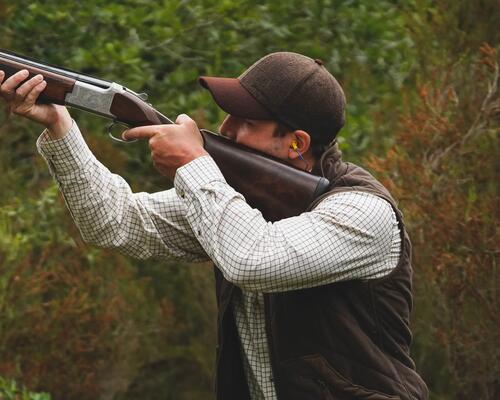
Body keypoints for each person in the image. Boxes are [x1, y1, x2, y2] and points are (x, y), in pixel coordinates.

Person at [0, 52, 428, 400]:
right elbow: (114, 223)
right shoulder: (239, 200)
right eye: (227, 114)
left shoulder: (364, 213)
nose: (222, 130)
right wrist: (60, 126)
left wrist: (193, 165)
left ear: (296, 143)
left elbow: (253, 259)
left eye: (245, 121)